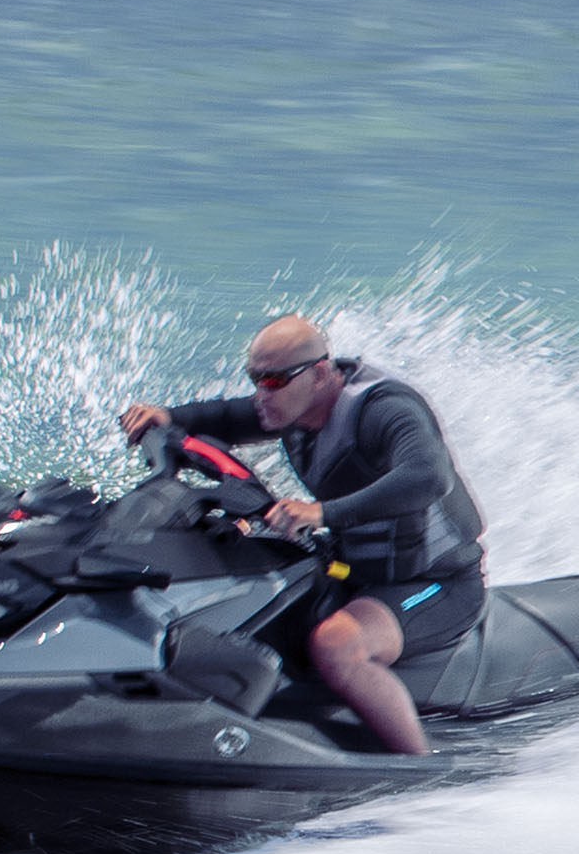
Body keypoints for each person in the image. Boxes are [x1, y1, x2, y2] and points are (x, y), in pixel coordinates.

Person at [118, 317, 488, 756]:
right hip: (353, 571)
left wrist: (321, 512)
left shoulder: (383, 409)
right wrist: (167, 418)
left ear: (318, 374)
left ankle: (420, 771)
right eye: (255, 380)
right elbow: (227, 418)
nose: (261, 395)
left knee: (336, 645)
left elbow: (428, 477)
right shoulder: (295, 407)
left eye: (273, 381)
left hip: (436, 582)